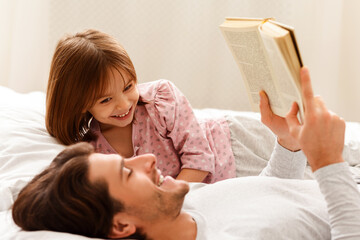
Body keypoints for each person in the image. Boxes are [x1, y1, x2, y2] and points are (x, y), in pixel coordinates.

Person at [13, 67, 360, 239]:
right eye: (126, 172)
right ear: (120, 225)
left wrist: (289, 144)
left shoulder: (189, 204)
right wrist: (329, 163)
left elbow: (273, 196)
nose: (146, 159)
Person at [45, 29, 279, 184]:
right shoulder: (93, 151)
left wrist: (167, 198)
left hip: (236, 147)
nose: (124, 104)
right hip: (219, 187)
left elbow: (200, 159)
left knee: (307, 159)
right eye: (105, 100)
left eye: (128, 86)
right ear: (80, 104)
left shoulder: (160, 100)